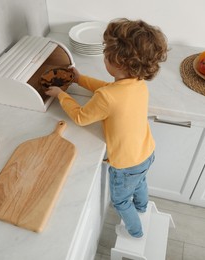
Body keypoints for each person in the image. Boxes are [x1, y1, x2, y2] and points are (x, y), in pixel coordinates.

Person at [45, 18, 168, 239]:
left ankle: (136, 231)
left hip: (125, 164)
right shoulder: (138, 83)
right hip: (147, 152)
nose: (103, 56)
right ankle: (141, 207)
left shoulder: (107, 97)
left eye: (106, 53)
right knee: (140, 182)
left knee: (121, 201)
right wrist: (80, 79)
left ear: (118, 62)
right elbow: (106, 89)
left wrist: (60, 95)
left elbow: (81, 117)